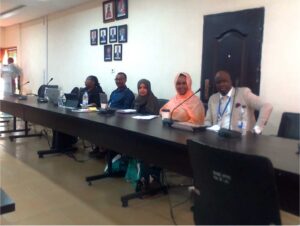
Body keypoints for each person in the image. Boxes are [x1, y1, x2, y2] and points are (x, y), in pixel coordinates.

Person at [204, 70, 273, 134]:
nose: (221, 84)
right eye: (218, 82)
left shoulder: (244, 94)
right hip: (217, 137)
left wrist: (258, 128)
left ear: (231, 82)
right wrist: (206, 129)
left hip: (240, 138)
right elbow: (208, 120)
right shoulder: (213, 98)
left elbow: (267, 106)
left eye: (224, 81)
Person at [125, 79, 161, 192]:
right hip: (137, 130)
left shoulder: (153, 100)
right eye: (140, 87)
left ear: (149, 88)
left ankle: (147, 177)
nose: (142, 90)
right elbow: (132, 113)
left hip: (151, 133)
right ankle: (139, 174)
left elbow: (156, 119)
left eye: (145, 87)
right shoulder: (137, 100)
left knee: (143, 149)